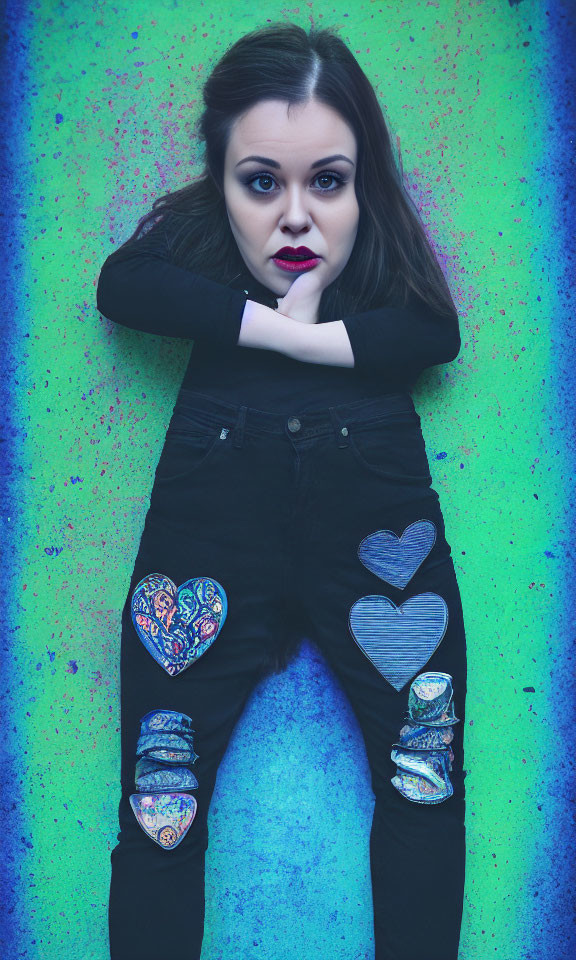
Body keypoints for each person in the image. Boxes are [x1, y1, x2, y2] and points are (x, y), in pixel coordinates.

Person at [96, 22, 467, 960]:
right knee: (159, 802)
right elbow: (122, 285)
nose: (295, 217)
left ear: (362, 183)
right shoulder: (190, 243)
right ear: (219, 183)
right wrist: (279, 329)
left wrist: (299, 337)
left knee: (425, 779)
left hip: (377, 515)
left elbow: (433, 332)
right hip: (209, 522)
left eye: (327, 182)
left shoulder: (389, 260)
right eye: (261, 181)